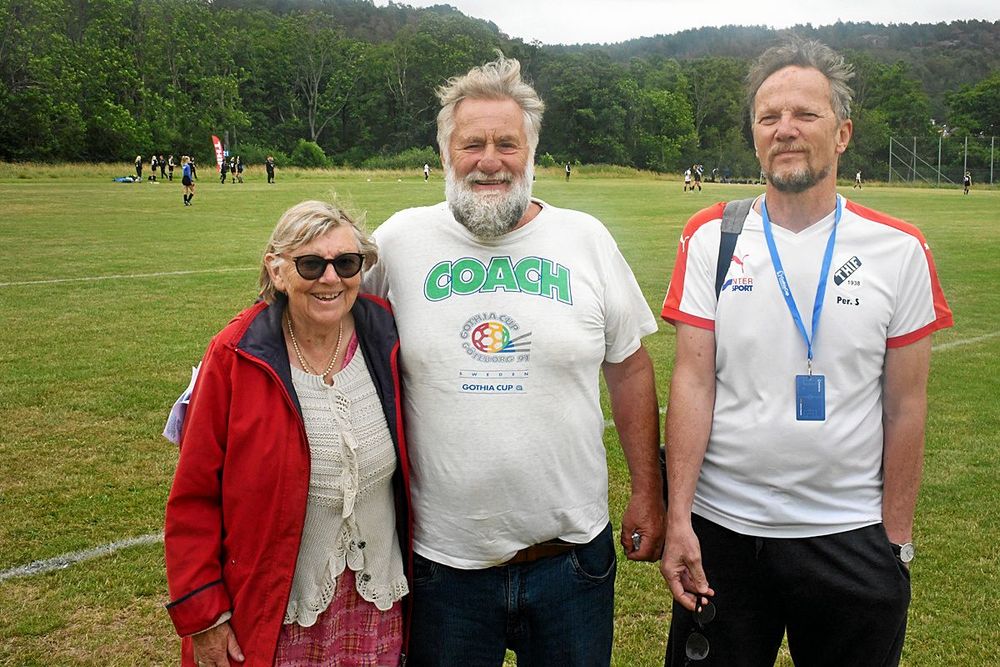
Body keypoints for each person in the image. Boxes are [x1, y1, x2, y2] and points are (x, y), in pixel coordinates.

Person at [659, 38, 953, 666]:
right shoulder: (711, 235)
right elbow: (692, 384)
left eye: (805, 115)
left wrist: (894, 539)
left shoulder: (898, 250)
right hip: (724, 534)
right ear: (755, 135)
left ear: (842, 133)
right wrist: (679, 518)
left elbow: (905, 406)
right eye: (769, 118)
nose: (784, 130)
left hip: (849, 534)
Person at [363, 55, 664, 666]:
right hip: (443, 565)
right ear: (445, 151)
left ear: (531, 150)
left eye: (507, 142)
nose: (490, 160)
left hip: (571, 559)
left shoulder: (585, 239)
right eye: (472, 143)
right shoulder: (398, 242)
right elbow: (334, 334)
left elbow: (629, 366)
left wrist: (647, 491)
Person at [164, 200, 412, 667]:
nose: (330, 278)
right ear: (277, 271)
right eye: (311, 264)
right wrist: (203, 614)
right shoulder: (235, 354)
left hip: (377, 605)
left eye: (346, 262)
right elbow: (194, 498)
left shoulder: (386, 335)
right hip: (276, 612)